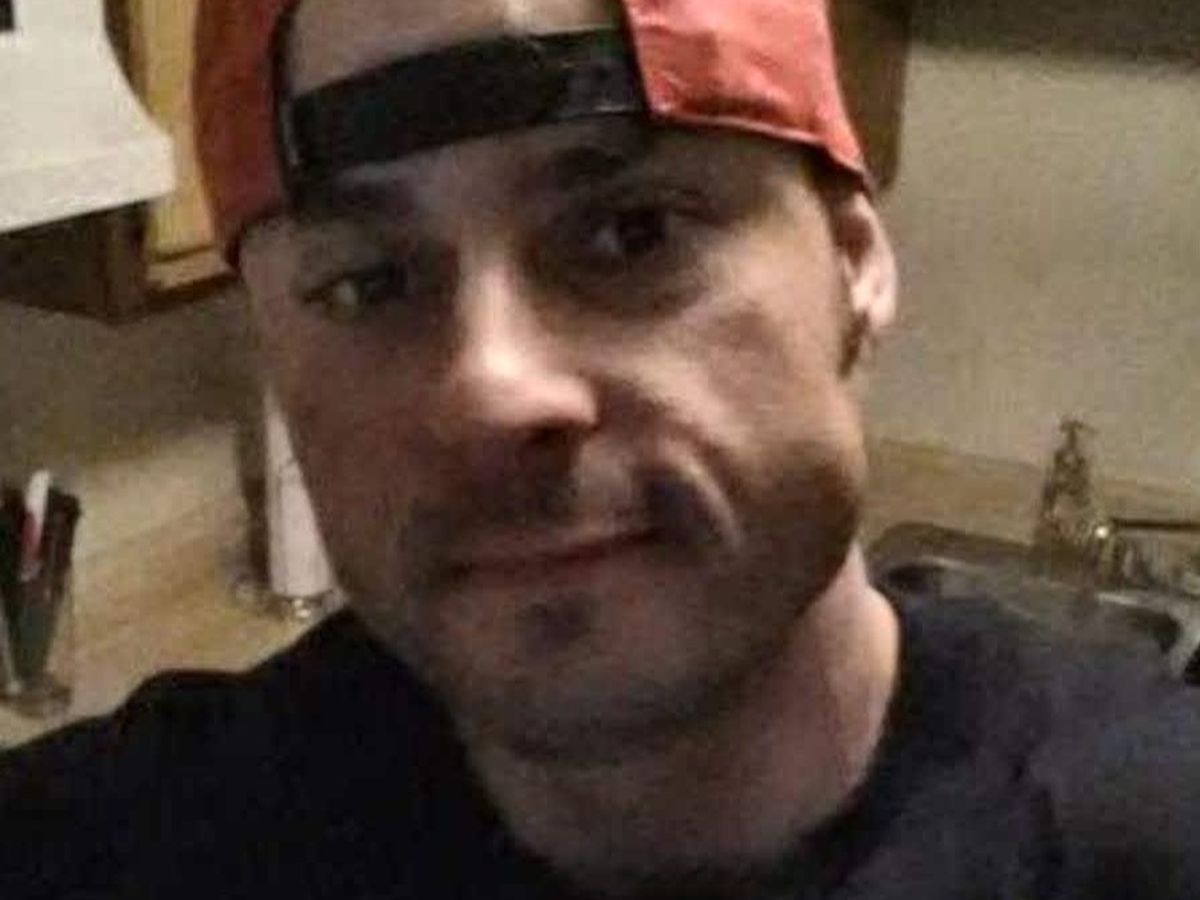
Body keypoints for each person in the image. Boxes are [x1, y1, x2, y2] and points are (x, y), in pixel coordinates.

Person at [2, 0, 1198, 897]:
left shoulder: (1146, 830)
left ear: (854, 261)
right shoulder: (148, 843)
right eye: (368, 285)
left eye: (631, 233)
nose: (490, 391)